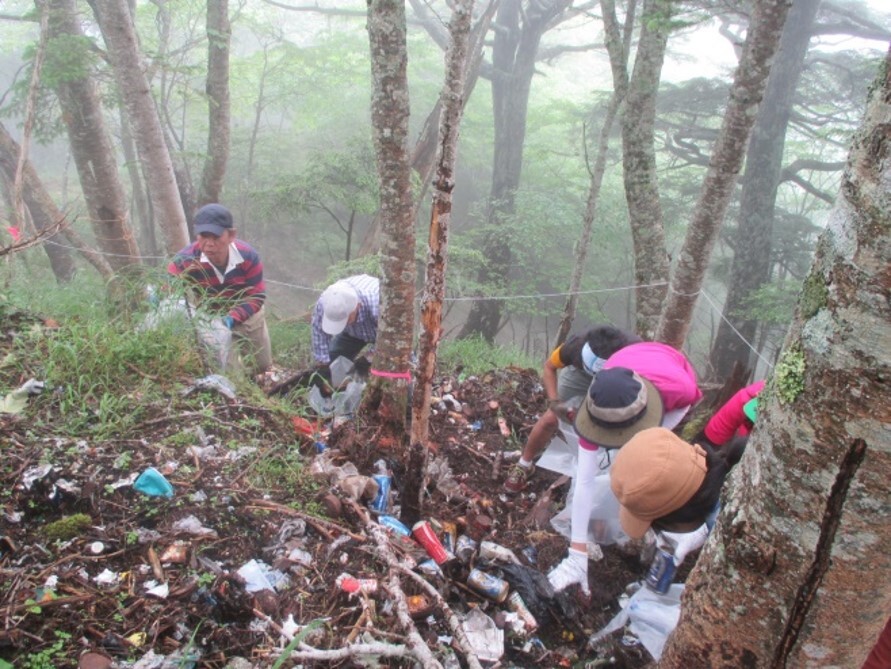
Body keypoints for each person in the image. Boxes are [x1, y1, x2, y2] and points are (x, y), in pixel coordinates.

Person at [547, 341, 704, 593]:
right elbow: (585, 481)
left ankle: (661, 527)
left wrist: (654, 439)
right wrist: (577, 553)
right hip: (627, 360)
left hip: (668, 368)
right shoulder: (600, 405)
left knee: (653, 461)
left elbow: (688, 404)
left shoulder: (679, 389)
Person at [503, 325, 641, 493]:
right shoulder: (575, 345)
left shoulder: (636, 351)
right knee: (551, 419)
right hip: (579, 376)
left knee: (611, 428)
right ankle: (524, 464)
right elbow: (549, 367)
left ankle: (607, 477)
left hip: (618, 380)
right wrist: (554, 402)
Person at [168, 203, 272, 375]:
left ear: (231, 235)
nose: (209, 244)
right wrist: (160, 295)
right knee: (230, 372)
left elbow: (257, 295)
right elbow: (169, 286)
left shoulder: (248, 256)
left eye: (215, 237)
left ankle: (254, 378)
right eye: (203, 236)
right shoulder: (186, 260)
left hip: (247, 313)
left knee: (261, 364)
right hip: (212, 317)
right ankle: (241, 390)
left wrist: (233, 317)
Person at [310, 274, 380, 378]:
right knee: (333, 359)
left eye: (345, 319)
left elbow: (395, 339)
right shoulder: (326, 302)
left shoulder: (378, 303)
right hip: (351, 333)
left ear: (357, 306)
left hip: (381, 331)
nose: (342, 323)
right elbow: (319, 332)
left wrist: (368, 359)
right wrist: (323, 365)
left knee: (388, 368)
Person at [700, 380, 765, 448]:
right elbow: (743, 438)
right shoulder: (750, 404)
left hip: (714, 428)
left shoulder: (756, 390)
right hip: (716, 436)